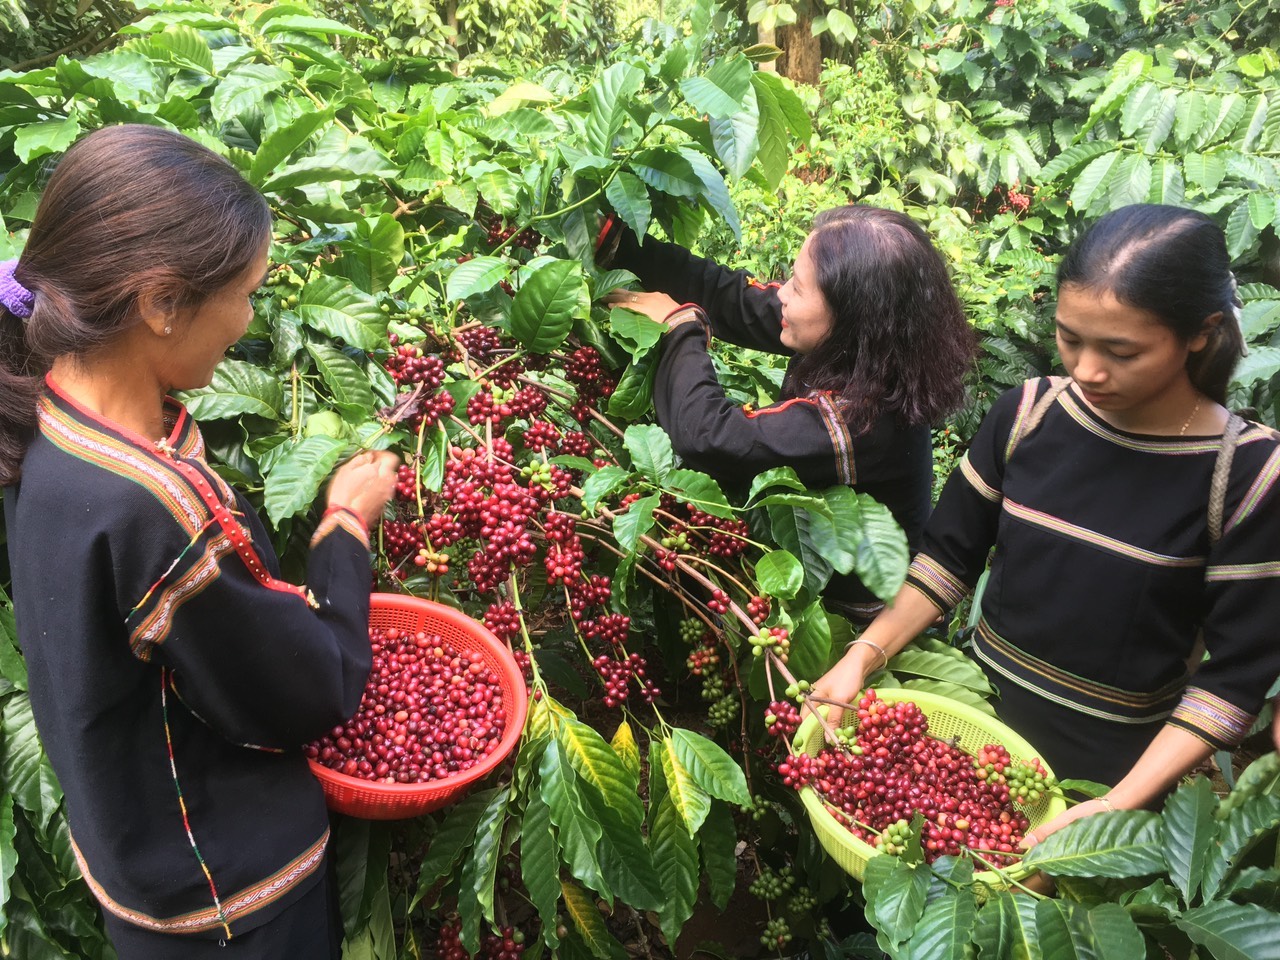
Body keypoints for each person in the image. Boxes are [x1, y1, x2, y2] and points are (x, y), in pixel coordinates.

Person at [0, 125, 397, 958]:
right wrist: (345, 525)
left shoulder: (40, 418)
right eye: (247, 293)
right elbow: (313, 691)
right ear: (160, 301)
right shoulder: (155, 509)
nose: (250, 318)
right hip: (229, 901)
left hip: (135, 861)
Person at [811, 204, 1280, 846]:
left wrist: (1113, 808)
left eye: (1121, 351)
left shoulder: (1247, 474)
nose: (1087, 371)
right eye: (1070, 339)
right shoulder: (1028, 415)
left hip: (1112, 777)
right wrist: (861, 658)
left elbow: (1233, 678)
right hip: (968, 736)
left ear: (1198, 333)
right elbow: (947, 561)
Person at [597, 207, 975, 623]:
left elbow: (709, 435)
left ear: (851, 317)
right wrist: (622, 245)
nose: (781, 294)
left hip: (847, 618)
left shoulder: (860, 422)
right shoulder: (869, 346)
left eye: (797, 287)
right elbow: (736, 300)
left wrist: (679, 327)